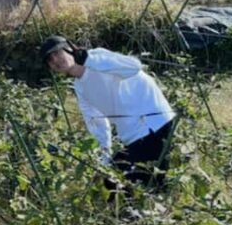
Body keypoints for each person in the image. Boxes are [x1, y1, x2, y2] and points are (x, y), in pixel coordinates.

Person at [41, 35, 176, 190]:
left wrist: (88, 59)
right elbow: (97, 123)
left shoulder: (96, 57)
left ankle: (155, 206)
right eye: (50, 60)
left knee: (139, 186)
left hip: (156, 125)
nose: (56, 60)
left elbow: (134, 66)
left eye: (58, 53)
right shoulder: (80, 87)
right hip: (135, 135)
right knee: (112, 180)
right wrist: (104, 162)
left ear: (70, 49)